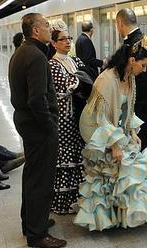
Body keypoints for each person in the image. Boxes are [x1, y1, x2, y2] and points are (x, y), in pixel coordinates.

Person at [73, 36, 147, 231]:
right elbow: (100, 116)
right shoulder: (106, 80)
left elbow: (126, 109)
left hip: (111, 125)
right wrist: (114, 145)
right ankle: (107, 216)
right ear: (132, 61)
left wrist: (131, 131)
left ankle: (120, 214)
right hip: (95, 127)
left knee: (127, 160)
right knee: (112, 166)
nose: (144, 70)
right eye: (143, 65)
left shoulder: (129, 77)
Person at [8, 13, 66, 248]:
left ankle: (31, 222)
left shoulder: (22, 52)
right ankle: (37, 234)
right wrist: (50, 127)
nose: (48, 27)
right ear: (35, 31)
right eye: (45, 25)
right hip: (38, 126)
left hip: (26, 122)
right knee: (41, 179)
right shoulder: (36, 56)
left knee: (32, 175)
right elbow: (37, 99)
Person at [48, 22, 86, 214]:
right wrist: (80, 80)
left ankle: (76, 198)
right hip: (63, 118)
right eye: (63, 39)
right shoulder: (53, 64)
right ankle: (61, 203)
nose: (68, 42)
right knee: (65, 159)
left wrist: (80, 80)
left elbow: (84, 77)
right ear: (54, 43)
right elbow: (69, 85)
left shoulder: (74, 60)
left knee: (76, 155)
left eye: (69, 38)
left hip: (76, 116)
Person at [116, 8, 147, 151]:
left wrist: (130, 109)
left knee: (142, 148)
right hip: (144, 104)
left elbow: (144, 79)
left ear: (120, 23)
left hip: (142, 106)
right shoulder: (137, 40)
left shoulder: (138, 44)